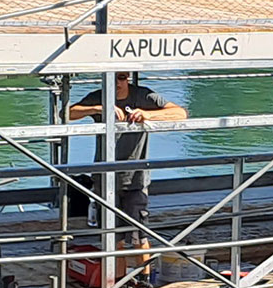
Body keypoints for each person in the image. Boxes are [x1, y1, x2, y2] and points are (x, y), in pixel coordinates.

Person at [66, 72, 186, 253]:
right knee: (113, 240)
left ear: (128, 78)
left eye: (121, 77)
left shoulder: (143, 95)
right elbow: (68, 113)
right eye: (111, 78)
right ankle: (119, 280)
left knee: (139, 237)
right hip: (104, 178)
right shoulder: (98, 96)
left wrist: (147, 115)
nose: (117, 83)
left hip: (135, 179)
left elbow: (180, 113)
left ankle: (144, 279)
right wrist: (98, 109)